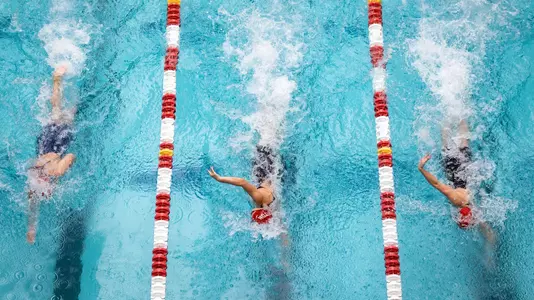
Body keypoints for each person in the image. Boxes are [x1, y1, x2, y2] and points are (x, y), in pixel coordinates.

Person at [418, 119, 494, 241]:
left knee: (464, 142)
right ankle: (448, 116)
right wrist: (421, 169)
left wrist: (489, 255)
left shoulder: (474, 209)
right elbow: (436, 184)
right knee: (446, 141)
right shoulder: (457, 199)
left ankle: (461, 114)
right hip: (454, 169)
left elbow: (490, 234)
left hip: (466, 168)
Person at [26, 66, 76, 244]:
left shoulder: (56, 173)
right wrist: (31, 228)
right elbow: (32, 205)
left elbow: (70, 156)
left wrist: (65, 168)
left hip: (58, 142)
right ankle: (57, 81)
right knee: (54, 112)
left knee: (69, 113)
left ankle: (61, 81)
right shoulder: (33, 179)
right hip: (44, 143)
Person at [208, 145, 276, 224]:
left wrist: (219, 178)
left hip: (268, 172)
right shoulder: (259, 199)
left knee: (267, 145)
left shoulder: (262, 200)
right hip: (267, 171)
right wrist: (219, 179)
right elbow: (242, 182)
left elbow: (242, 182)